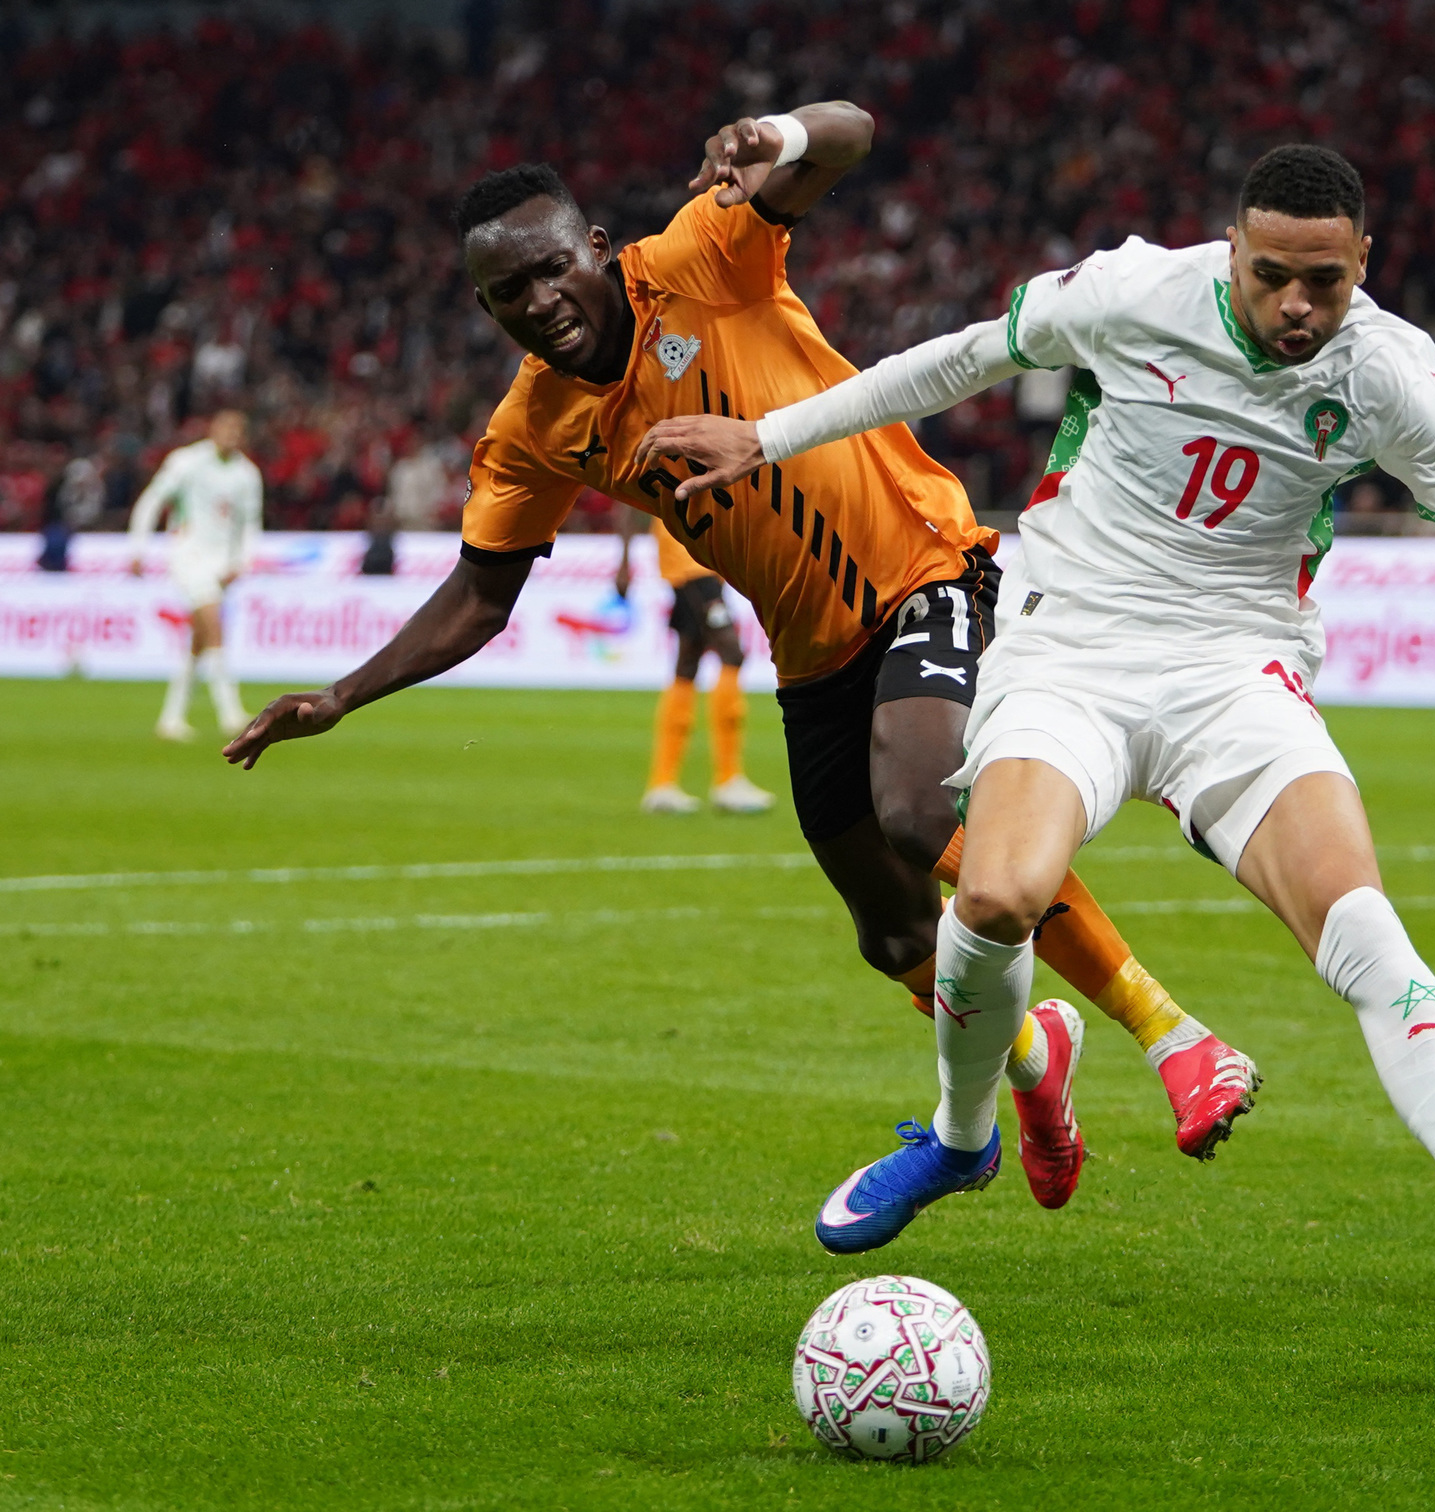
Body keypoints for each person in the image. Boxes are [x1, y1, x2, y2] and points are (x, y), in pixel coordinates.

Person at [648, 145, 1435, 1336]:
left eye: (1323, 282)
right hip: (1070, 646)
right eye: (1269, 275)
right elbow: (961, 361)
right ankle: (961, 1139)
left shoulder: (1389, 373)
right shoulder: (1133, 291)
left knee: (1360, 924)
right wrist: (768, 436)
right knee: (993, 897)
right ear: (1231, 249)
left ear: (1362, 263)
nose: (1294, 306)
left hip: (1235, 674)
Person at [222, 104, 1261, 1208]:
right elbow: (482, 594)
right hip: (810, 655)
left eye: (549, 269)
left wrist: (783, 135)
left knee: (921, 810)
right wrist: (341, 695)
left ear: (594, 250)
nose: (538, 302)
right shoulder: (534, 428)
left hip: (925, 568)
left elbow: (854, 133)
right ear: (485, 307)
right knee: (891, 930)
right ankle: (1032, 1063)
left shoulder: (700, 259)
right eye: (506, 292)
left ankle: (1176, 1037)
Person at [616, 512, 773, 813]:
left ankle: (662, 785)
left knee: (687, 665)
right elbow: (625, 509)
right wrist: (623, 564)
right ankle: (728, 779)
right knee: (731, 652)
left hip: (702, 561)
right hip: (688, 560)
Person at [128, 409, 262, 740]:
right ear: (212, 429)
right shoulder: (187, 462)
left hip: (221, 565)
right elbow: (152, 501)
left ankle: (171, 718)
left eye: (237, 431)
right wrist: (138, 547)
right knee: (214, 625)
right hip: (188, 556)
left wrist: (241, 562)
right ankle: (230, 713)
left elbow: (249, 523)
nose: (231, 435)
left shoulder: (247, 474)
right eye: (225, 428)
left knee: (199, 639)